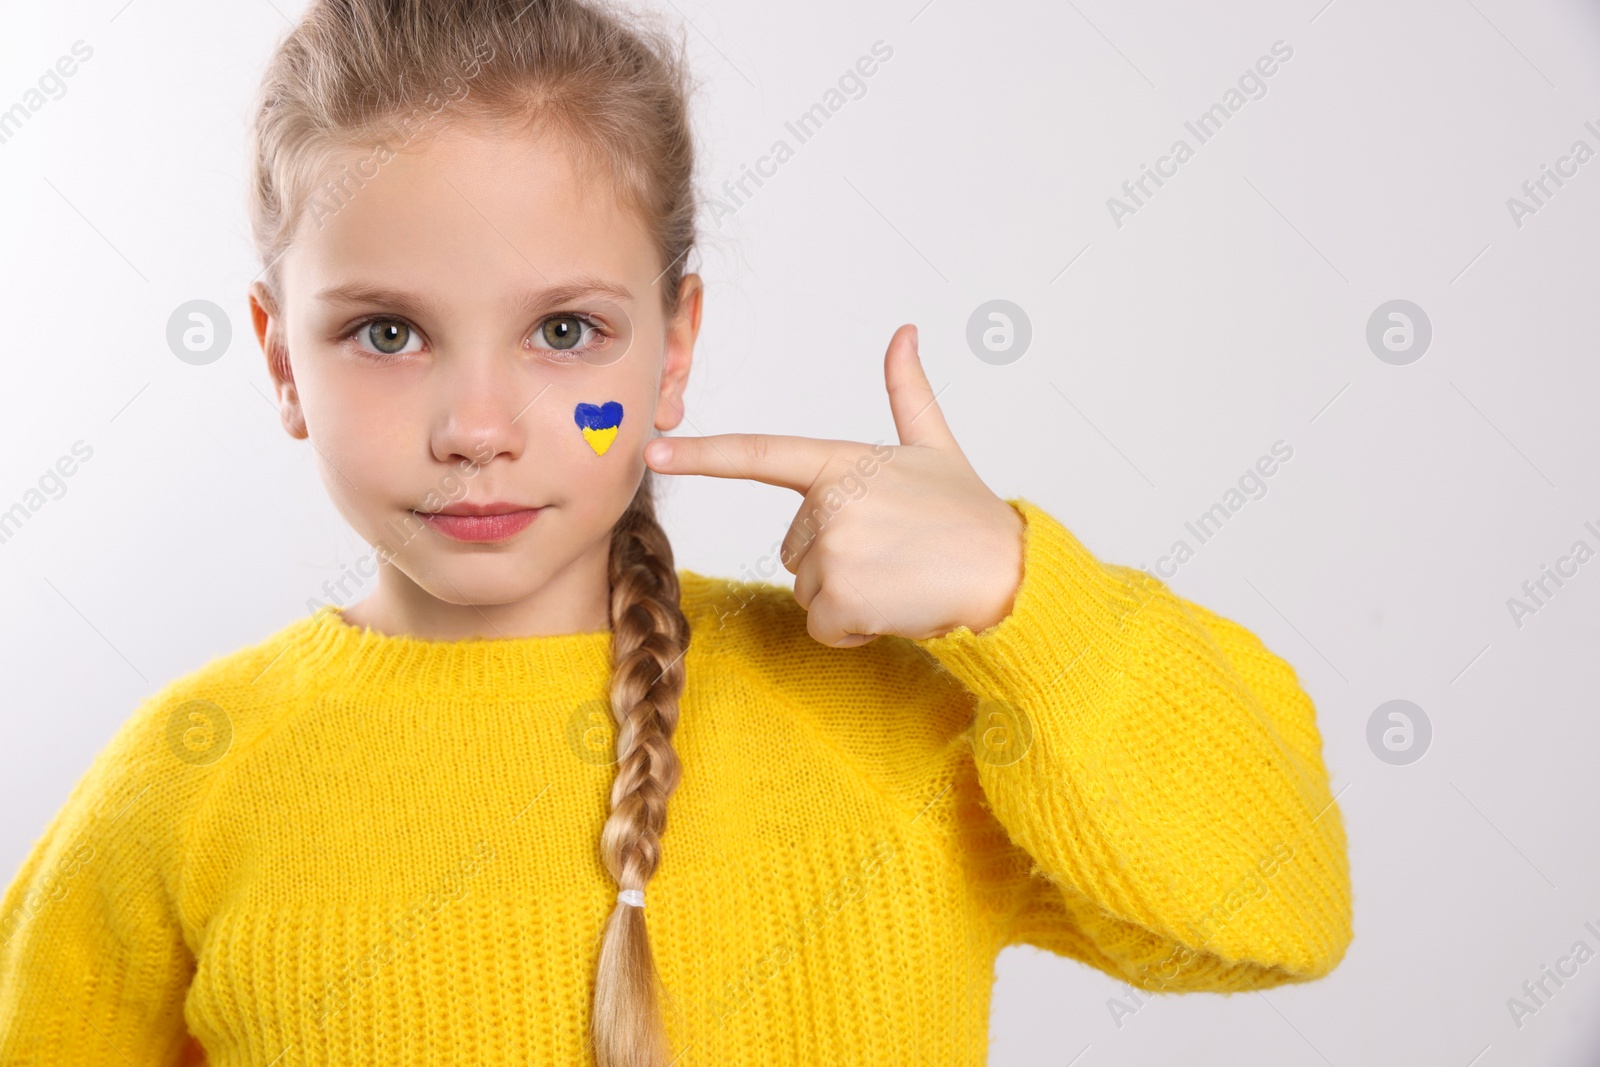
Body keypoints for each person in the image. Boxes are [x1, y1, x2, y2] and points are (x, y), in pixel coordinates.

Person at [0, 1, 1352, 1063]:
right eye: (388, 333)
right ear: (280, 360)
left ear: (673, 348)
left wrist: (1018, 592)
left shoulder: (893, 713)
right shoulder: (186, 785)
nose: (479, 424)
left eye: (565, 332)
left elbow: (1280, 915)